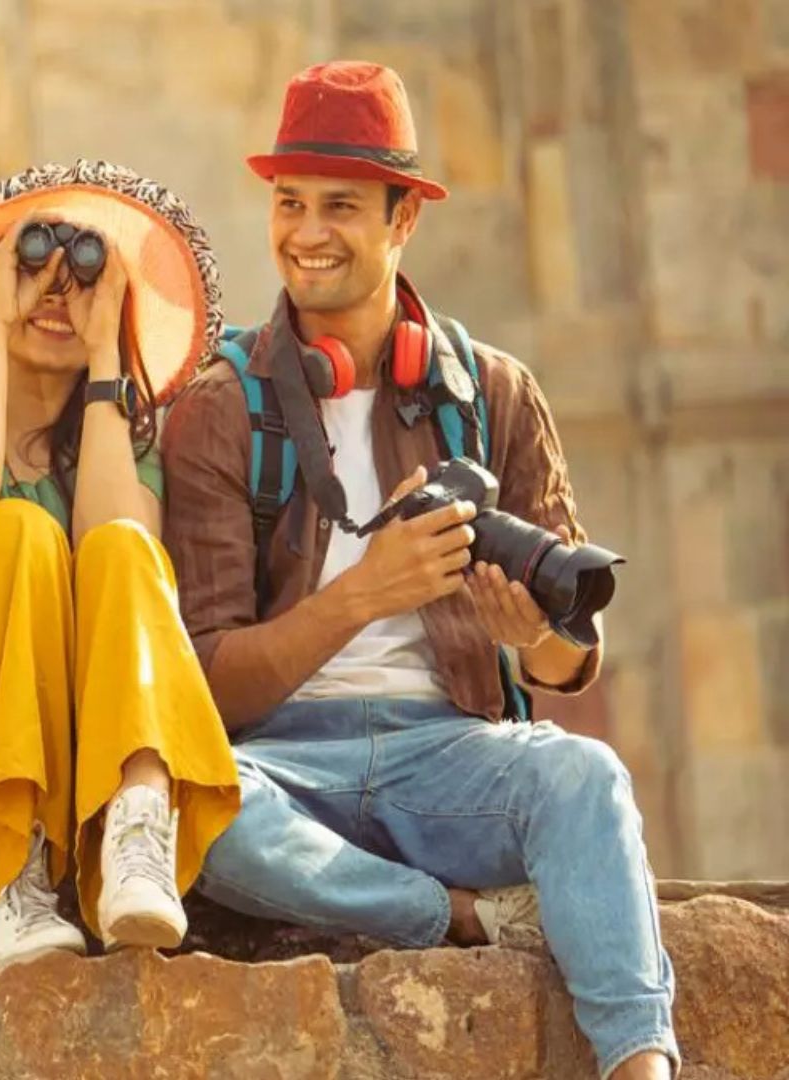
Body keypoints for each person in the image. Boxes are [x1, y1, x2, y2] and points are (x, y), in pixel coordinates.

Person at [160, 62, 677, 1079]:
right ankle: (460, 916)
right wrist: (366, 593)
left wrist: (537, 642)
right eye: (289, 203)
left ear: (404, 222)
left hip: (452, 754)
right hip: (283, 768)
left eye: (340, 207)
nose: (307, 231)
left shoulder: (492, 391)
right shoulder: (220, 406)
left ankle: (640, 1061)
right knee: (187, 807)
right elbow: (208, 684)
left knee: (585, 774)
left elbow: (579, 657)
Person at [0, 161, 240, 978]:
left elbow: (114, 549)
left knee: (126, 546)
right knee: (14, 532)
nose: (56, 295)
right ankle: (4, 882)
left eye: (83, 276)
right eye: (33, 268)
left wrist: (106, 363)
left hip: (74, 811)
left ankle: (136, 828)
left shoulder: (122, 452)